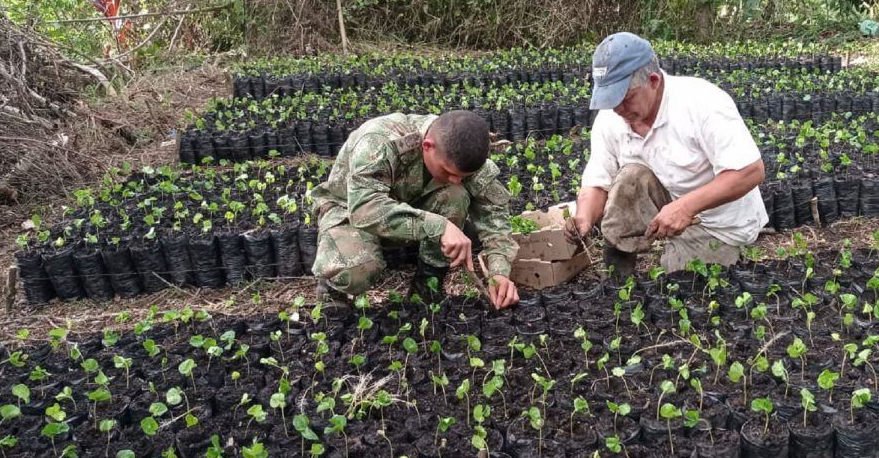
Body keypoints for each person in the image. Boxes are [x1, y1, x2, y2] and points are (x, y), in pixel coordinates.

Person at [565, 32, 767, 278]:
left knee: (682, 285)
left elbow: (750, 171)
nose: (618, 108)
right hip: (670, 196)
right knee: (631, 177)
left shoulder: (702, 102)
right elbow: (597, 181)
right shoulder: (612, 118)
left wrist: (686, 207)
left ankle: (716, 251)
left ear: (653, 80)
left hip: (717, 223)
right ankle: (617, 276)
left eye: (625, 98)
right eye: (611, 100)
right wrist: (583, 217)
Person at [311, 110, 520, 309]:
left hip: (410, 211)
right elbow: (364, 208)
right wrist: (438, 226)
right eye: (448, 172)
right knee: (357, 270)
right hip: (349, 210)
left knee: (455, 195)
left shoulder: (463, 151)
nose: (456, 180)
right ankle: (331, 292)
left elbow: (495, 217)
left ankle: (427, 286)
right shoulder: (378, 141)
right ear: (427, 146)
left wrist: (499, 273)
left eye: (463, 176)